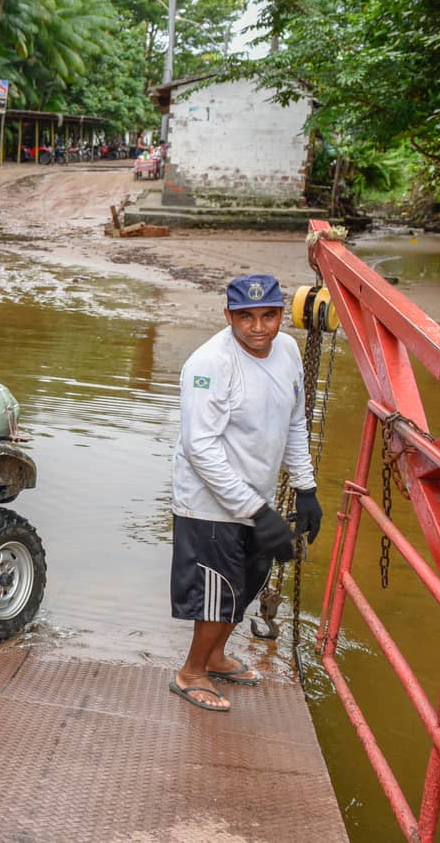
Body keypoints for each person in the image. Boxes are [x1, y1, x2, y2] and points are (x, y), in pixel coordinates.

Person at [168, 273, 324, 712]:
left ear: (281, 316)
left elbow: (294, 422)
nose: (258, 327)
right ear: (228, 316)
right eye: (246, 317)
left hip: (256, 499)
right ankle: (191, 672)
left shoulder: (289, 352)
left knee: (246, 583)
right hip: (208, 503)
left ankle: (215, 658)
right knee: (217, 591)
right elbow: (200, 448)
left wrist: (306, 488)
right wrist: (257, 512)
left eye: (269, 316)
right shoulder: (209, 364)